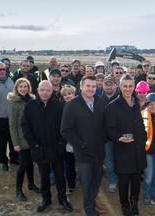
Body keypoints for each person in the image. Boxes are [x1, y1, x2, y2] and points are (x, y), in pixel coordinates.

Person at [22, 80, 72, 213]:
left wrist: (62, 143)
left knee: (60, 176)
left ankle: (62, 198)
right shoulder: (30, 106)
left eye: (48, 90)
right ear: (37, 90)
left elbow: (64, 126)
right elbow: (26, 127)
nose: (45, 93)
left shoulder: (58, 106)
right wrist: (34, 145)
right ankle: (46, 198)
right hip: (40, 149)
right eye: (42, 90)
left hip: (57, 148)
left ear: (52, 91)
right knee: (44, 177)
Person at [61, 75, 105, 216]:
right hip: (83, 152)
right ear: (81, 87)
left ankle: (92, 203)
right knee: (87, 184)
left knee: (96, 182)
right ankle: (89, 210)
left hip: (98, 150)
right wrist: (80, 143)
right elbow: (65, 130)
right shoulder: (72, 105)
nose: (91, 89)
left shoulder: (99, 102)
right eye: (88, 86)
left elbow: (104, 124)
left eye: (93, 86)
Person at [105, 74, 147, 216]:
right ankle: (124, 205)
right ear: (119, 86)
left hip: (138, 150)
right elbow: (109, 129)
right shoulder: (113, 106)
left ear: (134, 86)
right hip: (123, 150)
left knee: (136, 181)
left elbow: (139, 123)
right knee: (123, 182)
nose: (128, 89)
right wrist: (119, 138)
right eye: (125, 86)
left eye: (130, 86)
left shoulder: (135, 102)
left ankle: (134, 203)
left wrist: (144, 137)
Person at [7, 78, 40, 201]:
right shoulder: (14, 102)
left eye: (25, 86)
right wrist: (15, 143)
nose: (23, 89)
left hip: (31, 139)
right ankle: (18, 189)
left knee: (30, 163)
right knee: (23, 165)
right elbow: (12, 124)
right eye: (20, 87)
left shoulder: (31, 100)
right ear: (16, 88)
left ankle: (31, 184)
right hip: (21, 140)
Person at [101, 76, 119, 193]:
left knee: (121, 160)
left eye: (110, 84)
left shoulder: (120, 99)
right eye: (106, 84)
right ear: (103, 86)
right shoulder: (97, 100)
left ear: (115, 85)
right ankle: (113, 181)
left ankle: (122, 179)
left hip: (118, 136)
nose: (108, 86)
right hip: (106, 138)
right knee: (109, 162)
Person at [60, 85, 77, 195]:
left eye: (69, 93)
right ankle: (71, 184)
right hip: (67, 141)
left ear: (74, 94)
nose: (68, 96)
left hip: (79, 140)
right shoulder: (62, 107)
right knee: (69, 164)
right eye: (65, 95)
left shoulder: (80, 105)